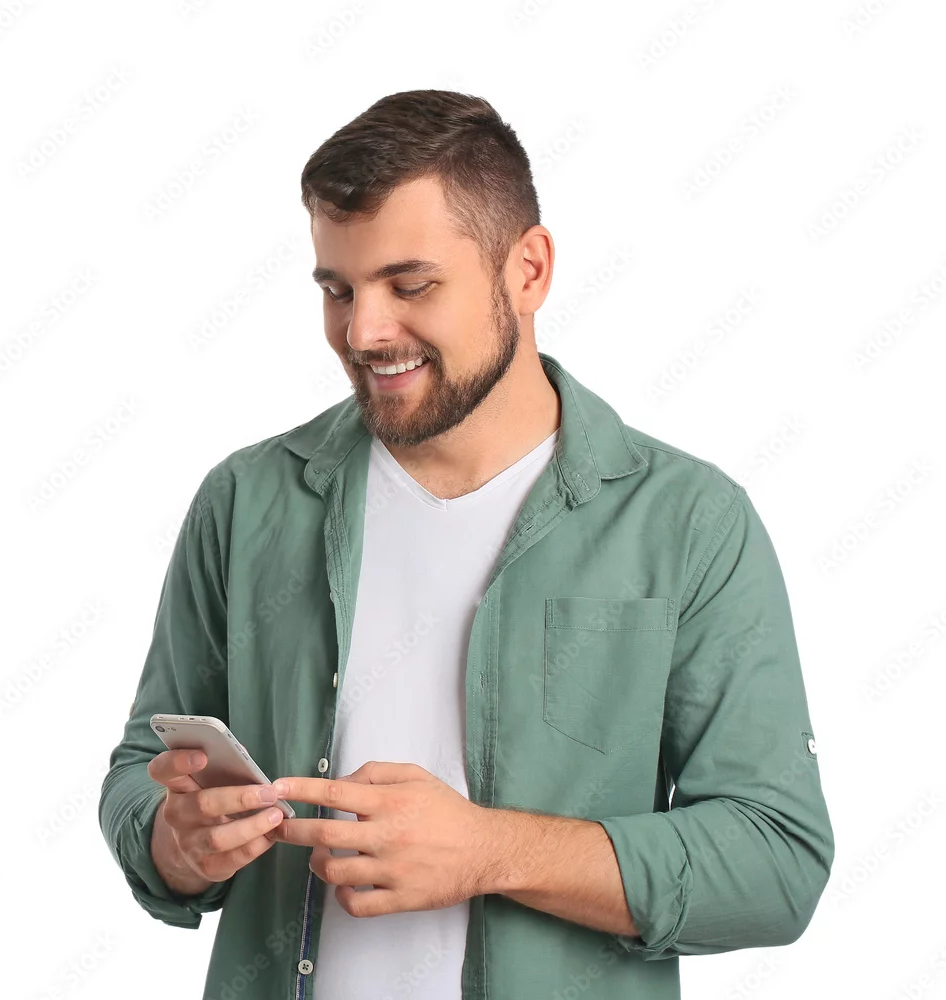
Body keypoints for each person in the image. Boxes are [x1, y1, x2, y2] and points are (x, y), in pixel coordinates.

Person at [99, 90, 834, 1000]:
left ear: (528, 270)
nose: (363, 332)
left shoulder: (689, 522)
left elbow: (776, 860)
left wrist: (491, 851)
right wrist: (174, 843)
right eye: (337, 290)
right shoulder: (246, 501)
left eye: (410, 286)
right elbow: (139, 773)